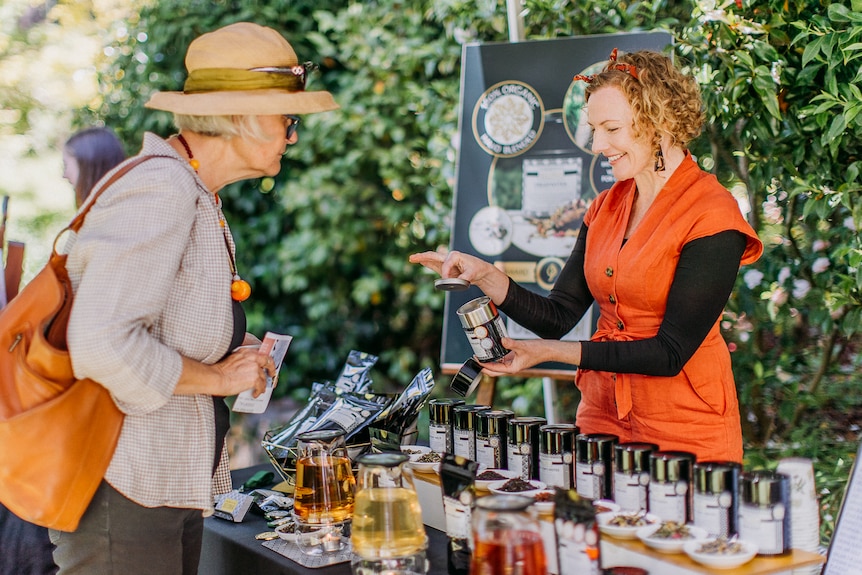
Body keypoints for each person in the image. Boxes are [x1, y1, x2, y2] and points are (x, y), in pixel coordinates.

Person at [49, 22, 338, 574]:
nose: (293, 136)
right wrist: (222, 379)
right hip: (123, 494)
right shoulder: (163, 189)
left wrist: (236, 349)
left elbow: (161, 323)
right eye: (288, 119)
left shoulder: (189, 189)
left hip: (153, 490)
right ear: (244, 118)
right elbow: (101, 342)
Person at [411, 49, 763, 463]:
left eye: (611, 128)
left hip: (684, 427)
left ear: (660, 122)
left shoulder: (712, 214)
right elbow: (558, 315)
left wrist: (548, 353)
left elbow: (669, 353)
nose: (597, 145)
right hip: (602, 416)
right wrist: (485, 275)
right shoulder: (605, 207)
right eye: (594, 129)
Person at [0, 128, 127, 575]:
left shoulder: (100, 233)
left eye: (68, 164)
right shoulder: (97, 228)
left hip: (74, 408)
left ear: (89, 168)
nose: (61, 173)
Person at [62, 127, 126, 207]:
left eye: (66, 165)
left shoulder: (110, 211)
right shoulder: (118, 202)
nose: (65, 175)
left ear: (87, 164)